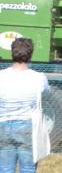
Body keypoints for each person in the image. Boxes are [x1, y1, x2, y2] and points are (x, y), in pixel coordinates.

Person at [0, 38, 49, 173]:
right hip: (28, 126)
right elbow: (45, 94)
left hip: (3, 125)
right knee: (28, 168)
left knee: (4, 168)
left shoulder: (1, 76)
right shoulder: (39, 77)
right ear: (30, 54)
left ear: (12, 53)